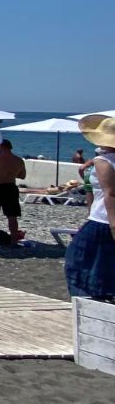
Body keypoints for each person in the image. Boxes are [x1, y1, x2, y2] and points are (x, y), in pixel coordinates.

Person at [66, 116, 115, 300]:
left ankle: (93, 306)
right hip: (104, 219)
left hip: (103, 220)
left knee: (79, 266)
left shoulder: (104, 161)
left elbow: (110, 194)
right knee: (105, 269)